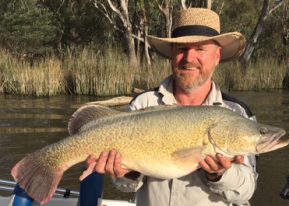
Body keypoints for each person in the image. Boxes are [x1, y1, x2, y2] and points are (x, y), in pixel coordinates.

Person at [86, 8, 257, 206]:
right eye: (181, 49)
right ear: (172, 54)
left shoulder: (237, 114)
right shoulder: (143, 103)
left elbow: (246, 191)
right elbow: (125, 186)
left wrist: (221, 174)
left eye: (200, 49)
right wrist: (126, 174)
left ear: (217, 56)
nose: (189, 58)